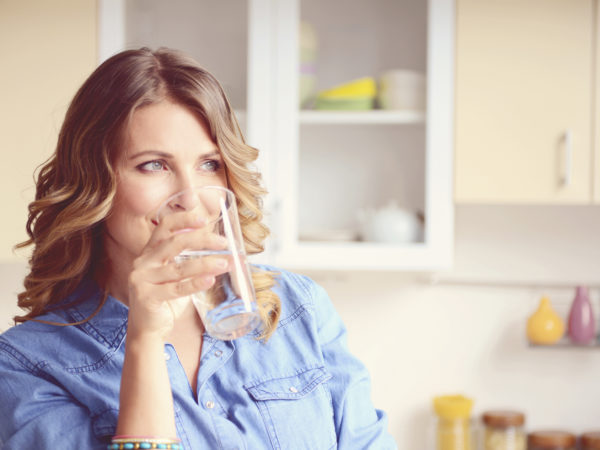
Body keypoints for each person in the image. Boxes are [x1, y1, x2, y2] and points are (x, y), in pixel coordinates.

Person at [0, 47, 396, 449]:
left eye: (209, 164)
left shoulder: (300, 308)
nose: (191, 198)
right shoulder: (26, 367)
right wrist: (144, 340)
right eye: (153, 164)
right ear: (93, 183)